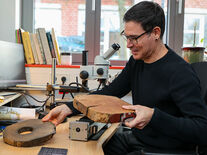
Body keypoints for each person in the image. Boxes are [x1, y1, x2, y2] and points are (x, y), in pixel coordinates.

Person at [42, 1, 207, 155]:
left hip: (161, 150)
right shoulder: (138, 61)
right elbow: (110, 92)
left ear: (156, 33)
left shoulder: (180, 72)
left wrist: (153, 116)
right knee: (82, 149)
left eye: (134, 38)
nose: (128, 45)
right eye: (126, 37)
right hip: (136, 139)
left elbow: (202, 130)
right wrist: (69, 107)